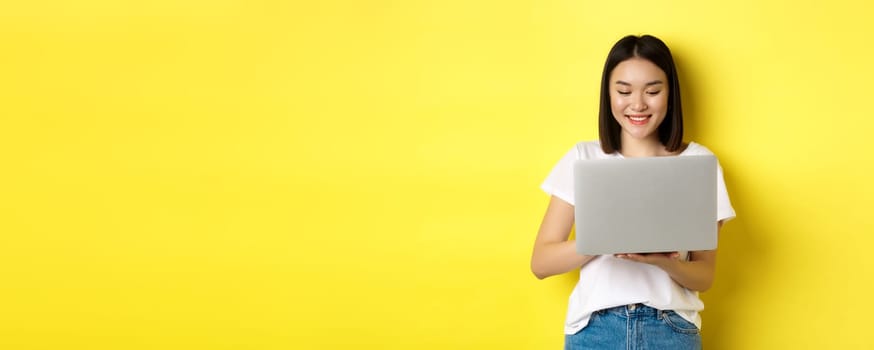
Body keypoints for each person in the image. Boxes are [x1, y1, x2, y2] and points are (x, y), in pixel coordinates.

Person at [530, 34, 736, 350]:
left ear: (670, 94)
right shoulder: (584, 157)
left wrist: (659, 260)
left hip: (670, 329)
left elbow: (704, 276)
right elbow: (541, 263)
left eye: (652, 91)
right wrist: (603, 241)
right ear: (608, 94)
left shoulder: (698, 163)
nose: (638, 104)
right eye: (624, 91)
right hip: (595, 329)